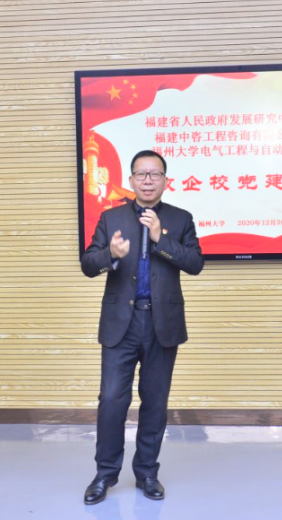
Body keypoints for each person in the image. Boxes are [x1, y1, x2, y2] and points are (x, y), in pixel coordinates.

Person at [79, 150, 204, 504]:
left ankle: (147, 473)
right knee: (111, 400)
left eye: (155, 174)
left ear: (166, 180)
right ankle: (105, 474)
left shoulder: (180, 219)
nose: (148, 180)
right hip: (122, 323)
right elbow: (88, 264)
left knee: (155, 401)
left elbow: (195, 263)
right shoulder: (111, 218)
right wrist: (110, 255)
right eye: (141, 174)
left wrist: (161, 238)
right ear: (132, 180)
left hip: (162, 323)